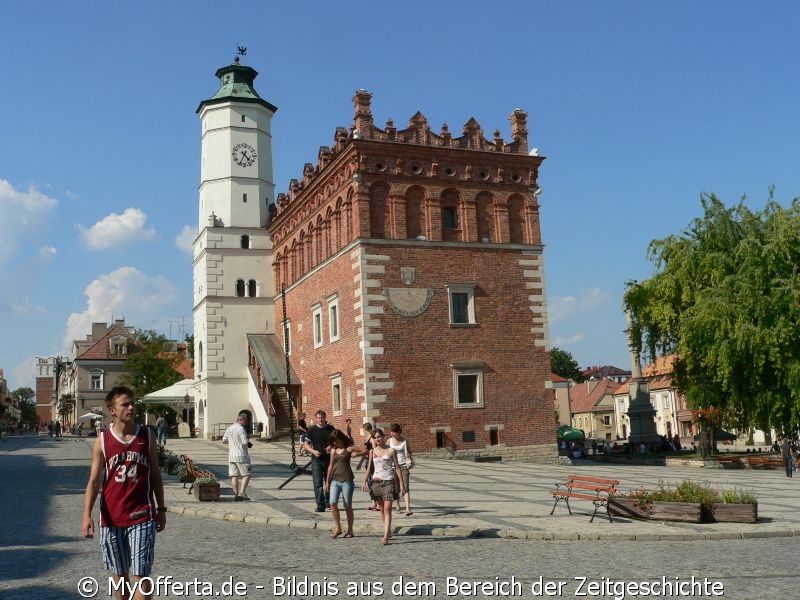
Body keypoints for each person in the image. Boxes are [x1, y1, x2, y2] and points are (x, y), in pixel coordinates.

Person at [82, 386, 166, 600]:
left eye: (132, 403)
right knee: (120, 577)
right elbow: (93, 481)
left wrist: (161, 508)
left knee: (142, 577)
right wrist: (86, 516)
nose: (131, 407)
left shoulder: (147, 435)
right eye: (125, 404)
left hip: (142, 514)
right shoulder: (102, 440)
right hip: (111, 517)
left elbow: (155, 474)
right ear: (112, 411)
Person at [362, 428, 406, 545]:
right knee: (381, 509)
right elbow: (369, 468)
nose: (378, 439)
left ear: (383, 436)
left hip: (389, 482)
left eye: (379, 436)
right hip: (376, 483)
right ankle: (388, 530)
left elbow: (397, 467)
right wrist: (364, 481)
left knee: (387, 509)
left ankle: (386, 535)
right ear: (374, 439)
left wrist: (401, 484)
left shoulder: (391, 451)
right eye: (376, 437)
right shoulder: (372, 451)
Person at [323, 429, 366, 538]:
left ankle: (350, 530)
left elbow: (366, 451)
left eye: (336, 441)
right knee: (332, 503)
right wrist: (327, 481)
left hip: (347, 480)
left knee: (347, 506)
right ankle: (338, 527)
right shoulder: (333, 450)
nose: (334, 443)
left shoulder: (349, 448)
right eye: (333, 442)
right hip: (335, 480)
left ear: (341, 439)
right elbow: (330, 466)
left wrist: (357, 454)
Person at [303, 410, 335, 512]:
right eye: (319, 418)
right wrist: (313, 451)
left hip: (329, 459)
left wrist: (331, 446)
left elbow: (337, 441)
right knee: (317, 482)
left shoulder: (331, 429)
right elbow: (305, 444)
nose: (320, 420)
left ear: (325, 418)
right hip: (316, 459)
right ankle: (320, 504)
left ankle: (329, 502)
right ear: (316, 418)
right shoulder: (312, 430)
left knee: (329, 481)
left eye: (322, 418)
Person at [222, 413, 253, 500]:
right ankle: (242, 493)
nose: (246, 423)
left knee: (234, 475)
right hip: (241, 455)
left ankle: (236, 494)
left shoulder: (230, 428)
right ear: (241, 420)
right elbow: (244, 442)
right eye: (245, 421)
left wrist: (233, 441)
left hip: (231, 455)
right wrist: (247, 440)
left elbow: (224, 440)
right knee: (247, 474)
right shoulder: (241, 429)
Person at [388, 423, 413, 516]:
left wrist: (408, 454)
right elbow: (385, 451)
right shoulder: (389, 441)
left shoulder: (405, 441)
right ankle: (397, 506)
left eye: (394, 432)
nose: (392, 433)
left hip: (403, 466)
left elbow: (410, 452)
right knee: (396, 488)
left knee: (405, 487)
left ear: (399, 432)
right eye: (391, 431)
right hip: (393, 467)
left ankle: (407, 508)